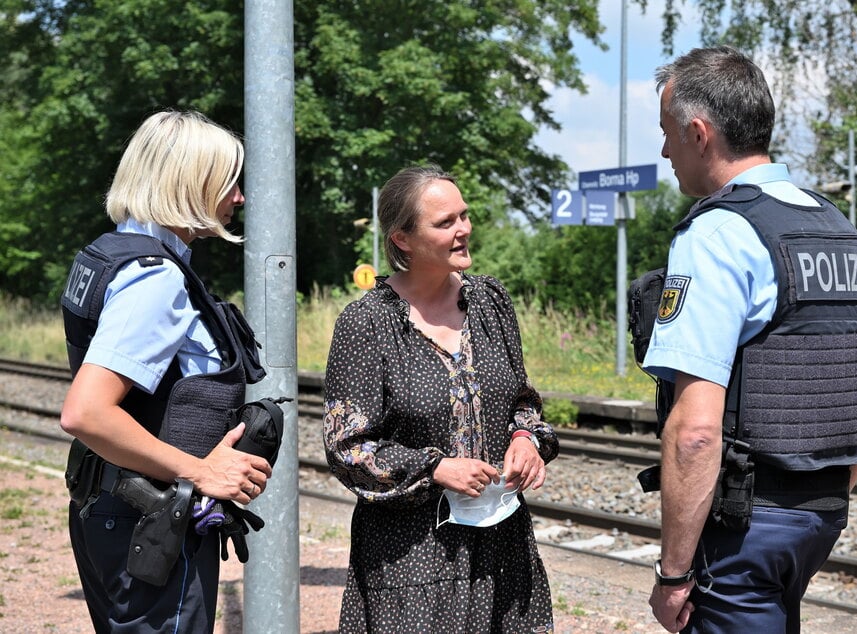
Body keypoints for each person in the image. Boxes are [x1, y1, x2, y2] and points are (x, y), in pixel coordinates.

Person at [640, 46, 857, 633]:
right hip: (822, 513)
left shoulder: (718, 232)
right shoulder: (835, 226)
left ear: (699, 133)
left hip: (745, 526)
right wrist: (819, 493)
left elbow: (696, 432)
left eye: (668, 132)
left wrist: (673, 575)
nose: (664, 150)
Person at [60, 110, 273, 633]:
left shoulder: (108, 254)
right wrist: (202, 472)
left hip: (116, 508)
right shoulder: (155, 279)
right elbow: (86, 412)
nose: (239, 198)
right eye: (228, 182)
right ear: (191, 184)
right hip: (149, 521)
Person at [323, 164, 558, 633]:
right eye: (445, 222)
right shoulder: (366, 324)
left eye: (464, 216)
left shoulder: (491, 301)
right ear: (402, 239)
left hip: (503, 547)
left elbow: (523, 401)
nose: (464, 229)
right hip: (412, 556)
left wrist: (525, 438)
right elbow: (346, 448)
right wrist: (435, 468)